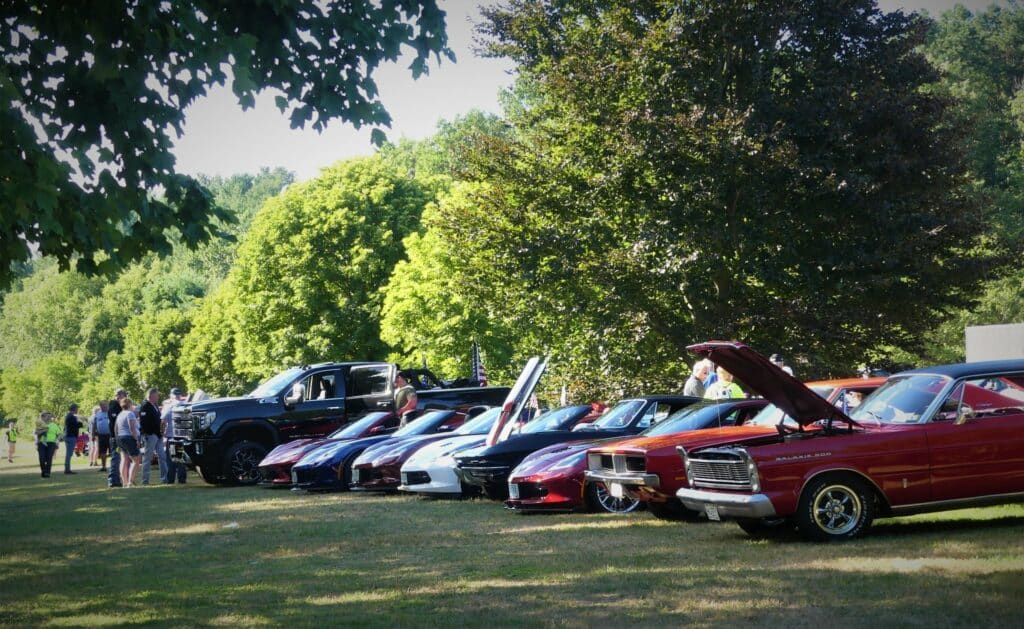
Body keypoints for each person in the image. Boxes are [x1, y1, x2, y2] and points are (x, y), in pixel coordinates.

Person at [138, 387, 166, 486]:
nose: (158, 396)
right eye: (157, 395)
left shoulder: (155, 405)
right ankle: (145, 480)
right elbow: (143, 422)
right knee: (147, 458)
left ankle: (164, 478)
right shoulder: (145, 406)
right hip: (151, 435)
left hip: (158, 435)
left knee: (162, 456)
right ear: (151, 396)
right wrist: (148, 434)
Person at [161, 387, 187, 484]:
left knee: (171, 459)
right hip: (183, 435)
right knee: (180, 458)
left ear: (171, 396)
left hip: (172, 435)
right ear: (180, 395)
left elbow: (163, 420)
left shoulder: (169, 407)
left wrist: (162, 433)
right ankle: (182, 478)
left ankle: (170, 479)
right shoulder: (186, 406)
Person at [115, 397, 141, 488]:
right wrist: (136, 440)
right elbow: (132, 428)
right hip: (129, 438)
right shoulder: (130, 414)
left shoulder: (120, 414)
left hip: (120, 437)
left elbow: (116, 428)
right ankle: (130, 481)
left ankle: (124, 482)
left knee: (124, 459)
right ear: (129, 404)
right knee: (136, 459)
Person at [107, 390, 127, 487]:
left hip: (118, 436)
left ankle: (117, 479)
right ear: (119, 396)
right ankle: (113, 480)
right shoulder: (113, 407)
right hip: (115, 437)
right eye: (124, 396)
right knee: (116, 458)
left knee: (119, 458)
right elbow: (116, 420)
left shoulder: (116, 406)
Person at [36, 411, 60, 478]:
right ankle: (43, 471)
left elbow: (59, 434)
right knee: (42, 458)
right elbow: (37, 434)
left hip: (51, 443)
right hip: (41, 443)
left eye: (49, 416)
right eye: (47, 416)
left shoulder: (54, 425)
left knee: (49, 458)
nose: (48, 418)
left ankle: (47, 473)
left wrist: (57, 440)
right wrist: (36, 443)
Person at [63, 403, 82, 474]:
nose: (77, 410)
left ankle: (67, 468)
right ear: (75, 409)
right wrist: (80, 424)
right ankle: (67, 469)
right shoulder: (72, 416)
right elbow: (76, 425)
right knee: (69, 454)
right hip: (71, 436)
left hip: (68, 435)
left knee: (69, 453)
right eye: (77, 409)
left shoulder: (68, 415)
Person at [94, 401, 112, 472]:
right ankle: (103, 466)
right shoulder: (98, 414)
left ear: (107, 405)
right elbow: (95, 425)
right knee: (102, 451)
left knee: (112, 451)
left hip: (110, 435)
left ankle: (113, 466)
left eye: (104, 405)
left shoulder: (110, 413)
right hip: (101, 435)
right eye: (101, 405)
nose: (103, 407)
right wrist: (93, 434)